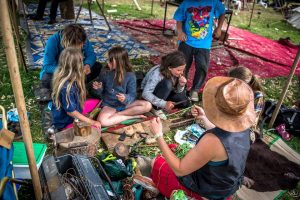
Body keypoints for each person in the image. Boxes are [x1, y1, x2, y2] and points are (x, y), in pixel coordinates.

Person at [150, 76, 256, 199]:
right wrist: (205, 118)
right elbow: (227, 135)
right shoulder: (244, 128)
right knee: (176, 150)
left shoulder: (212, 141)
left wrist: (158, 135)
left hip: (209, 190)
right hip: (227, 182)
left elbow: (180, 169)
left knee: (155, 162)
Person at [174, 0, 226, 101]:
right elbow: (179, 18)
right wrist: (180, 32)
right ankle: (181, 88)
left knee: (202, 66)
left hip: (204, 44)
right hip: (186, 42)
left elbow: (222, 12)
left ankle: (195, 90)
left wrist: (219, 28)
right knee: (182, 66)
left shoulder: (214, 2)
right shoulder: (186, 3)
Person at [92, 46, 152, 127]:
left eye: (110, 60)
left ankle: (118, 115)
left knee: (147, 105)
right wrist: (98, 88)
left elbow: (132, 95)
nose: (108, 62)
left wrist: (125, 98)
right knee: (102, 121)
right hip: (110, 105)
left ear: (119, 62)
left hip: (125, 105)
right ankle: (131, 116)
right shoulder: (105, 72)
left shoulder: (130, 76)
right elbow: (100, 94)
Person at [51, 48, 101, 131]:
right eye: (81, 61)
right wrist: (92, 122)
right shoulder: (66, 87)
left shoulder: (68, 77)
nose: (83, 63)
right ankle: (67, 128)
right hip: (66, 122)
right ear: (76, 66)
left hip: (75, 111)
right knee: (95, 129)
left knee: (99, 103)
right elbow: (71, 112)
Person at [40, 24, 101, 90]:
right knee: (46, 79)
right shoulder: (53, 41)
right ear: (66, 41)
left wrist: (87, 65)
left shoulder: (81, 38)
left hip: (78, 71)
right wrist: (67, 71)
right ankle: (74, 86)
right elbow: (47, 66)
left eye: (80, 45)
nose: (79, 48)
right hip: (62, 73)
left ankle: (71, 86)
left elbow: (91, 55)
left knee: (97, 66)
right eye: (75, 46)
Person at [141, 51, 190, 119]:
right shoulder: (157, 73)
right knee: (167, 83)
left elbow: (177, 91)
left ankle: (164, 104)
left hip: (167, 92)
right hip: (153, 93)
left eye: (183, 70)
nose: (181, 72)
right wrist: (163, 104)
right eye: (179, 70)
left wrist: (181, 85)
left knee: (185, 102)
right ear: (169, 68)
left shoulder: (178, 72)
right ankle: (155, 108)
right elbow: (145, 93)